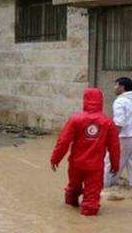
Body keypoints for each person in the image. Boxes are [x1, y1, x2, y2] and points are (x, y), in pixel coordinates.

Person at [50, 88, 121, 216]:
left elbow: (63, 142)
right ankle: (87, 227)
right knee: (92, 197)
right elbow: (114, 147)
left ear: (85, 100)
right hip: (95, 166)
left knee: (73, 188)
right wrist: (115, 165)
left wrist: (55, 159)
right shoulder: (107, 122)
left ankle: (69, 215)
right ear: (101, 101)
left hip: (76, 164)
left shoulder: (75, 119)